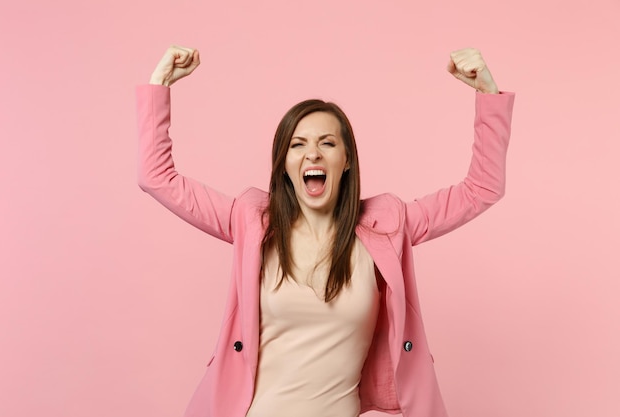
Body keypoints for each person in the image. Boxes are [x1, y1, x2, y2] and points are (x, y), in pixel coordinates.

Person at [136, 45, 515, 417]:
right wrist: (159, 84)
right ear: (284, 163)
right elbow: (157, 178)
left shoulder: (387, 227)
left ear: (346, 159)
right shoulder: (250, 222)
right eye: (297, 145)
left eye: (327, 143)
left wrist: (487, 94)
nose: (312, 154)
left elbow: (481, 189)